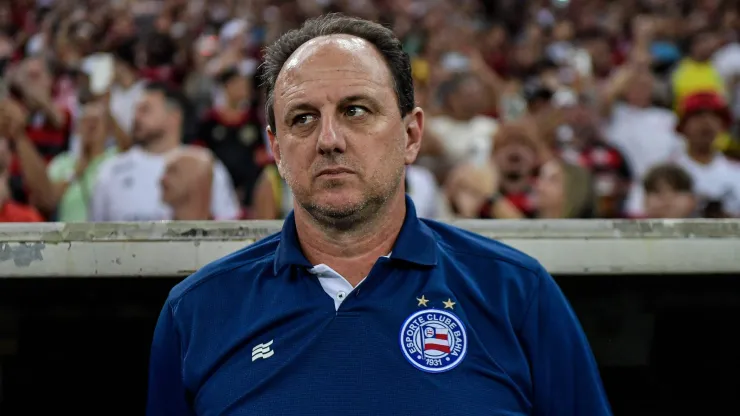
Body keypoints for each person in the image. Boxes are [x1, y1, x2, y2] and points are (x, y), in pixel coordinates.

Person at [146, 14, 612, 416]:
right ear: (276, 149)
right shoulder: (196, 312)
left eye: (356, 110)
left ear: (411, 135)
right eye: (302, 118)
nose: (329, 139)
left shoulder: (517, 293)